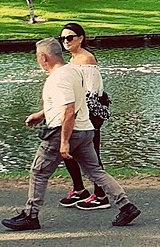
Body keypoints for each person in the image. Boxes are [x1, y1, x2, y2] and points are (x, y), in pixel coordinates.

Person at [1, 37, 140, 231]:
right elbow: (71, 101)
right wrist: (41, 115)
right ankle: (126, 206)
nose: (37, 60)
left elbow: (68, 109)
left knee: (39, 172)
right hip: (85, 130)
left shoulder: (57, 78)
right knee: (96, 171)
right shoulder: (73, 71)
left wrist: (64, 142)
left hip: (62, 131)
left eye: (37, 56)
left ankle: (31, 216)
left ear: (43, 57)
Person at [57, 23, 111, 211]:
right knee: (67, 149)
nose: (65, 41)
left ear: (80, 38)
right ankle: (79, 189)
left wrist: (77, 114)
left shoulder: (87, 60)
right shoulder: (72, 60)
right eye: (62, 38)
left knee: (91, 155)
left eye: (69, 37)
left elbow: (92, 92)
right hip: (77, 114)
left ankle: (101, 195)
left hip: (89, 115)